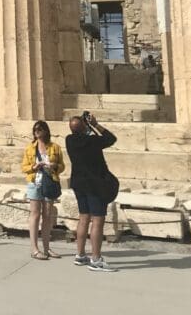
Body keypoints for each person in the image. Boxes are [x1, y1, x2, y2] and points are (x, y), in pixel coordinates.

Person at [65, 113, 118, 272]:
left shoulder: (69, 140)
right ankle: (96, 259)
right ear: (84, 127)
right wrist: (95, 124)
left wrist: (85, 127)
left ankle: (80, 255)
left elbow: (82, 135)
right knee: (97, 221)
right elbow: (111, 138)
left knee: (83, 218)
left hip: (79, 184)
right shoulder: (92, 141)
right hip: (95, 185)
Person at [21, 119, 65, 260]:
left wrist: (54, 166)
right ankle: (34, 248)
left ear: (46, 131)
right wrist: (34, 167)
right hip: (35, 182)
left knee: (47, 216)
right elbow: (24, 167)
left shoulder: (55, 147)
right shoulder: (29, 148)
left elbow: (62, 166)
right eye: (35, 130)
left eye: (40, 129)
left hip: (50, 182)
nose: (37, 132)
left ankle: (46, 248)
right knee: (35, 214)